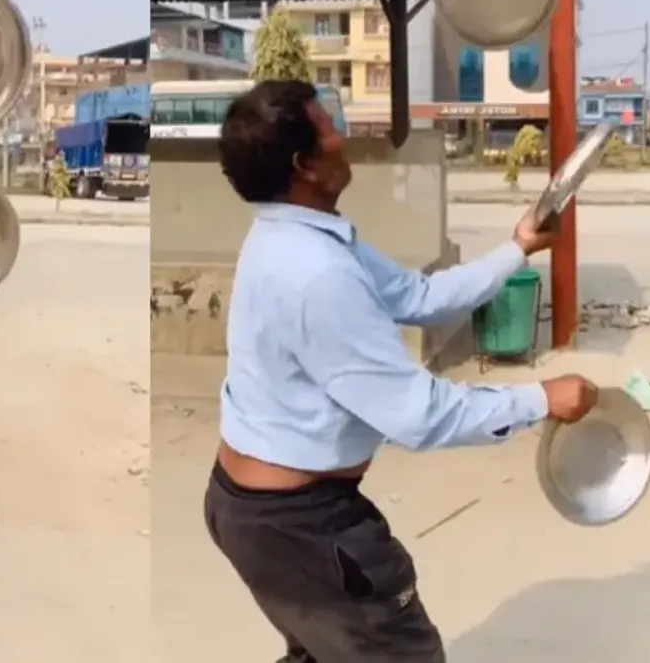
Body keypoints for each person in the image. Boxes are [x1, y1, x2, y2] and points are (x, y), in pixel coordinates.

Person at [204, 80, 600, 663]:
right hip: (300, 527)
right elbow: (420, 414)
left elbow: (417, 296)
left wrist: (516, 247)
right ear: (305, 164)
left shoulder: (297, 234)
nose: (343, 138)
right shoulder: (316, 274)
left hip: (257, 513)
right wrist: (541, 399)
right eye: (328, 128)